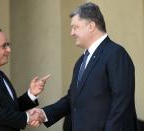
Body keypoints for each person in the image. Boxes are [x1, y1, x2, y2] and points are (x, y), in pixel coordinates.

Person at [29, 2, 138, 131]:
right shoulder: (81, 61)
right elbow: (72, 98)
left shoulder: (116, 54)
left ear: (91, 26)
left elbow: (122, 102)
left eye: (75, 27)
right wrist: (44, 114)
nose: (71, 33)